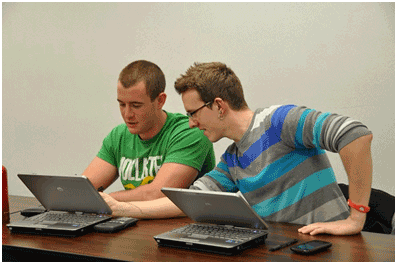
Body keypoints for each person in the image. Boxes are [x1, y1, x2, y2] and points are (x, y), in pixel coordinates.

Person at [100, 62, 373, 236]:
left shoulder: (279, 121)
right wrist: (125, 209)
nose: (191, 123)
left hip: (331, 251)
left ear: (219, 106)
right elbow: (187, 200)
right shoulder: (232, 160)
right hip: (289, 249)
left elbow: (355, 134)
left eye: (193, 113)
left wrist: (355, 218)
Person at [84, 60, 215, 202]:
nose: (127, 114)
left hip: (179, 223)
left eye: (136, 105)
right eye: (122, 104)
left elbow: (157, 194)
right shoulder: (118, 136)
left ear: (160, 100)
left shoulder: (190, 132)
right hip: (132, 219)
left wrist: (105, 200)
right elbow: (81, 190)